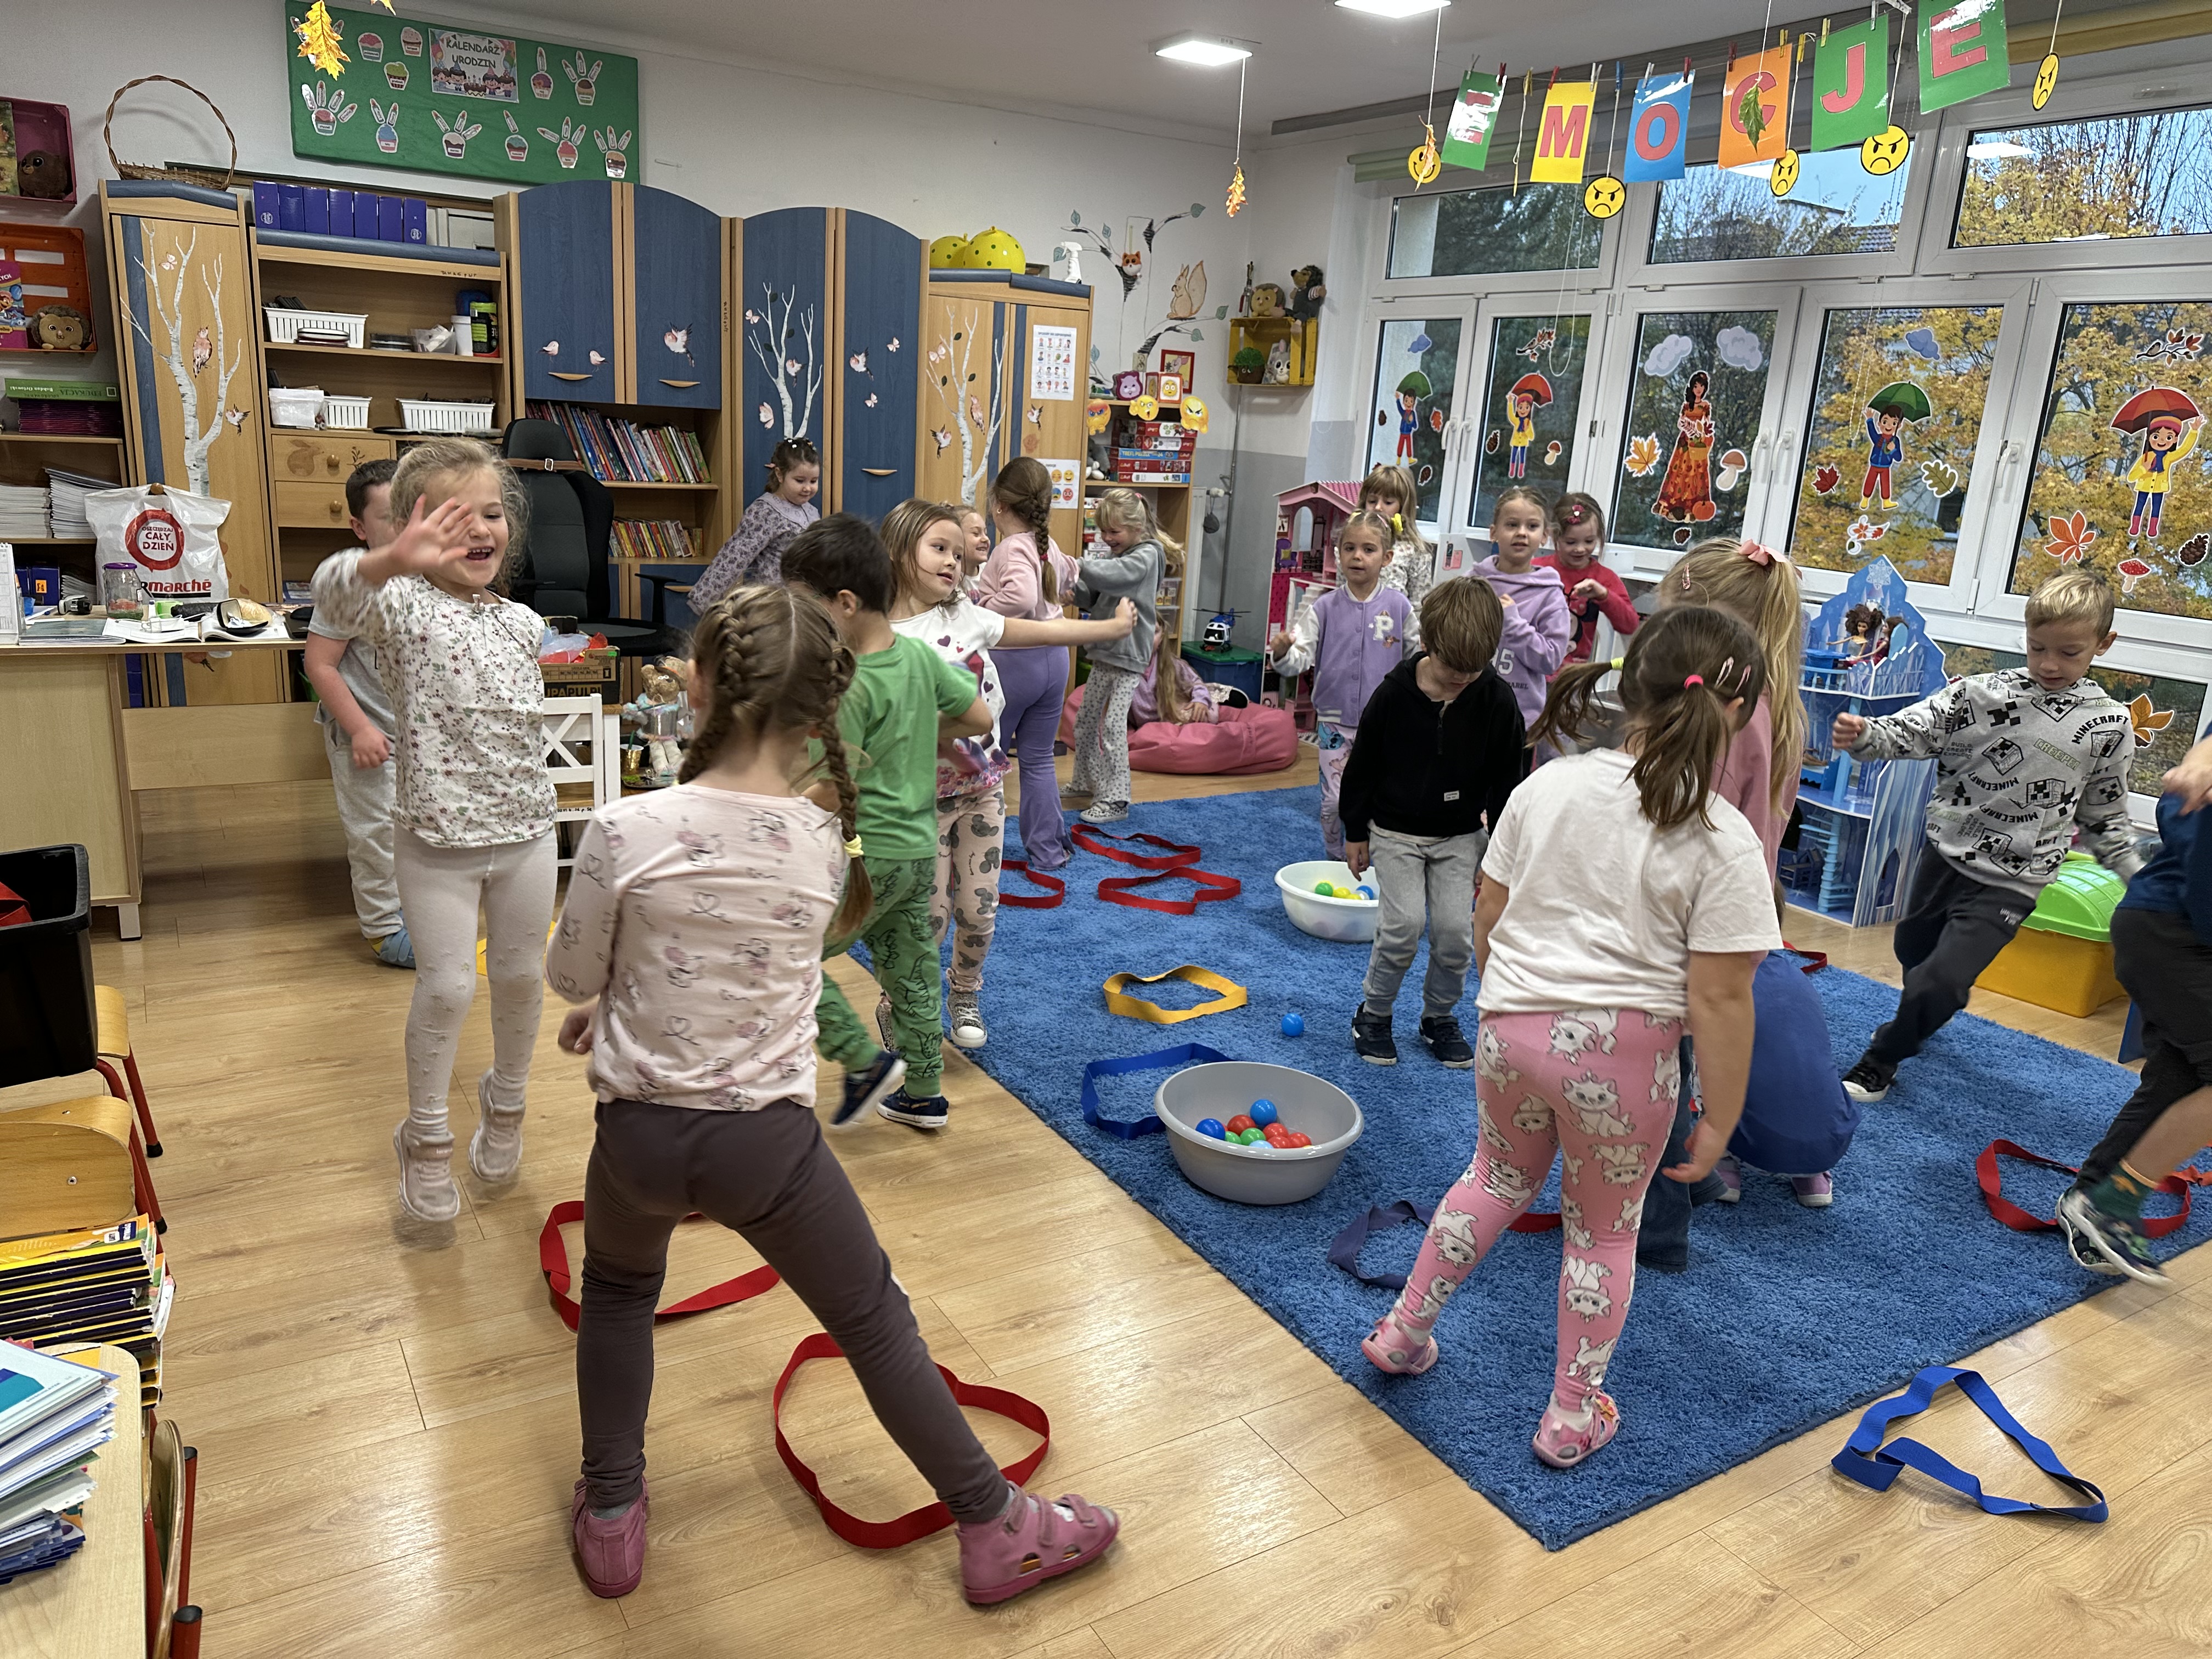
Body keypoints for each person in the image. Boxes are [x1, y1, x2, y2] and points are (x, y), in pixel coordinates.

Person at [546, 583, 1119, 1604]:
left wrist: (612, 998)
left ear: (699, 681)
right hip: (764, 1148)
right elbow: (748, 964)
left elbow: (571, 972)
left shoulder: (624, 825)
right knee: (875, 1324)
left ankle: (612, 1509)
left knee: (620, 1295)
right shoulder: (821, 840)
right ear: (825, 708)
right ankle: (994, 1524)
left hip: (636, 1139)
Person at [1362, 607, 1780, 1470]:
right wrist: (1721, 1117)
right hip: (1624, 1061)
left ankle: (1403, 1332)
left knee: (1492, 1179)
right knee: (1603, 1235)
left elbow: (1489, 909)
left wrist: (1505, 1001)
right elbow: (1722, 997)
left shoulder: (1548, 785)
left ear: (1631, 684)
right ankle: (1570, 1414)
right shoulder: (1723, 835)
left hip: (1510, 1032)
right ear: (1739, 712)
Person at [311, 437, 556, 1222]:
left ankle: (506, 1104)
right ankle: (424, 1138)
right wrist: (392, 560)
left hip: (528, 833)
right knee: (448, 987)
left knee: (520, 978)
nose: (481, 530)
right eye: (456, 519)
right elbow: (332, 594)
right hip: (435, 839)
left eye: (493, 514)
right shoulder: (401, 607)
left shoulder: (523, 622)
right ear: (415, 526)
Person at [1835, 569, 2146, 1104]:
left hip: (2016, 879)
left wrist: (2138, 877)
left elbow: (2105, 816)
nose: (2050, 664)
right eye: (2038, 647)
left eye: (2069, 653)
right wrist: (1866, 735)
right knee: (1913, 951)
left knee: (1943, 982)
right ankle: (1919, 1015)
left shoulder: (2109, 725)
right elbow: (1914, 730)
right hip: (1946, 853)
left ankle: (1882, 1058)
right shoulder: (1981, 694)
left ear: (2104, 643)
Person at [882, 498, 1132, 1052]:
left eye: (957, 552)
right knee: (930, 920)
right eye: (938, 548)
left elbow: (1037, 631)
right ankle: (902, 1002)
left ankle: (964, 992)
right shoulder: (884, 634)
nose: (953, 561)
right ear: (899, 552)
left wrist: (1109, 628)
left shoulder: (966, 614)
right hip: (917, 801)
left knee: (979, 910)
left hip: (982, 790)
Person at [783, 514, 994, 1132]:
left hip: (865, 857)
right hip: (916, 853)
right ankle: (924, 1094)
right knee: (913, 973)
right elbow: (980, 718)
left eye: (807, 608)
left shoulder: (849, 684)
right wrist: (920, 727)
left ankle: (859, 1061)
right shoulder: (920, 659)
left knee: (788, 955)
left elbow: (831, 787)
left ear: (845, 604)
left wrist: (772, 806)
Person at [1641, 540, 1818, 1251]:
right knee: (1676, 1054)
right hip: (1737, 911)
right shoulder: (1774, 706)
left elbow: (1686, 828)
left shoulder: (1721, 720)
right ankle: (1700, 1182)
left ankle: (1660, 1229)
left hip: (1692, 917)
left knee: (1654, 1069)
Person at [1340, 578, 1525, 1069]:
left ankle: (1438, 1017)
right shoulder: (1394, 694)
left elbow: (1508, 783)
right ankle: (1374, 1014)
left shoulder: (1497, 701)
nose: (1462, 678)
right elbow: (1362, 768)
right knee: (1403, 926)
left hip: (1461, 834)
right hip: (1395, 831)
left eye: (1473, 669)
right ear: (1426, 643)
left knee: (1454, 934)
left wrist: (1499, 852)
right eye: (1451, 667)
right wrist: (1355, 831)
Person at [2056, 733, 2212, 1285]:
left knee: (2182, 1076)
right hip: (2172, 931)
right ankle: (2111, 1203)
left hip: (2174, 927)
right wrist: (2200, 764)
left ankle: (2090, 1195)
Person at [303, 458, 413, 968]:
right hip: (366, 735)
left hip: (417, 737)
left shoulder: (432, 581)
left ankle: (414, 910)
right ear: (360, 527)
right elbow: (320, 664)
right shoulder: (355, 584)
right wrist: (360, 729)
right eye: (391, 517)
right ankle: (384, 928)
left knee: (416, 830)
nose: (406, 526)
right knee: (377, 833)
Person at [1267, 510, 1417, 859]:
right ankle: (1336, 856)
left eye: (1368, 549)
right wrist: (1283, 653)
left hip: (1385, 725)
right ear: (1339, 554)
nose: (1357, 557)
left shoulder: (1399, 607)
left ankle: (1377, 860)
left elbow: (1417, 658)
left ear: (1387, 558)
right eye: (1349, 548)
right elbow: (1298, 659)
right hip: (1334, 722)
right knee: (1334, 800)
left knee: (1380, 799)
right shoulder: (1324, 608)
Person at [973, 458, 1084, 872]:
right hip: (1055, 660)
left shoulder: (1011, 547)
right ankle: (1049, 852)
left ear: (999, 504)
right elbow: (1071, 576)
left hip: (1016, 664)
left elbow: (1019, 598)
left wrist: (982, 608)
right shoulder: (1045, 543)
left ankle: (976, 852)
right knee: (1038, 760)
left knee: (987, 759)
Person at [1064, 488, 1177, 826]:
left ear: (1137, 527)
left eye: (1114, 531)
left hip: (1128, 657)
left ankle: (1116, 799)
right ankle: (1087, 782)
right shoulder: (1120, 557)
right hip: (1105, 653)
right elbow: (1095, 596)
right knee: (1086, 721)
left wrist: (1078, 565)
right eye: (1103, 531)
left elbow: (1118, 576)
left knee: (1114, 728)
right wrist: (1071, 587)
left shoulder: (1146, 556)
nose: (1106, 538)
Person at [1474, 485, 1573, 733]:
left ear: (1545, 535)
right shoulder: (1473, 582)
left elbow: (1551, 660)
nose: (1521, 533)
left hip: (1520, 721)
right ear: (1494, 532)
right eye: (1512, 525)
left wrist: (1512, 623)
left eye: (1532, 526)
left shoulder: (1549, 594)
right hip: (1469, 711)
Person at [690, 436, 821, 608]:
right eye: (800, 481)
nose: (808, 488)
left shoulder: (812, 511)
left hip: (805, 604)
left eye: (814, 481)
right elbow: (734, 556)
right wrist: (703, 601)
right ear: (780, 475)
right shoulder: (765, 511)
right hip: (772, 604)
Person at [1535, 493, 1637, 668]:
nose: (1580, 549)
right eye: (1571, 542)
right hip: (1531, 669)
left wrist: (1604, 596)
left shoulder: (1604, 578)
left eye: (1589, 541)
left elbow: (1631, 625)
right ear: (1555, 536)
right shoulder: (1536, 570)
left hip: (1572, 675)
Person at [1358, 463, 1432, 610]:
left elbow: (1420, 606)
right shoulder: (1352, 546)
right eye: (1372, 501)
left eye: (1388, 502)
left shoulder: (1415, 552)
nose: (1378, 507)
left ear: (1403, 507)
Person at [2125, 412, 2201, 540]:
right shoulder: (2145, 457)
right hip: (2144, 486)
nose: (2162, 440)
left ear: (2175, 440)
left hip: (2160, 487)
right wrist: (2144, 468)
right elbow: (2131, 477)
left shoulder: (2169, 458)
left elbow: (2184, 450)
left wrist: (2193, 431)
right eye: (2156, 436)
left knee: (2156, 508)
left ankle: (2153, 528)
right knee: (2139, 506)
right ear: (2149, 437)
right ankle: (2135, 526)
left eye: (2169, 437)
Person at [1652, 373, 1716, 524]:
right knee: (1678, 470)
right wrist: (1686, 426)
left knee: (1696, 473)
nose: (1699, 389)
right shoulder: (1687, 406)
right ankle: (1670, 505)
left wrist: (1700, 432)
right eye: (1696, 386)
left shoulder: (1705, 406)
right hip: (1685, 442)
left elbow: (1706, 423)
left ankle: (1692, 507)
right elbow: (1681, 421)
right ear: (1692, 388)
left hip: (1698, 441)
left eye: (1702, 386)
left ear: (1705, 388)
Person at [1132, 623, 1221, 726]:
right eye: (1141, 630)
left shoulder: (1170, 662)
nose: (1147, 637)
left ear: (1162, 637)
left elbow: (1195, 682)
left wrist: (1201, 700)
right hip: (1145, 724)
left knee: (1207, 715)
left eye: (1154, 631)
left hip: (1172, 711)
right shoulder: (1122, 668)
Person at [957, 504, 991, 590]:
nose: (986, 539)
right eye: (976, 533)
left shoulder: (990, 572)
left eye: (986, 533)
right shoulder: (951, 577)